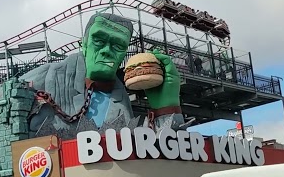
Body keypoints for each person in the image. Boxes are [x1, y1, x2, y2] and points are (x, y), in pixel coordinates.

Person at [20, 13, 183, 138]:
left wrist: (166, 108)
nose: (106, 50)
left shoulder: (121, 98)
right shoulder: (45, 78)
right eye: (99, 41)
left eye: (118, 45)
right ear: (83, 44)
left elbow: (157, 159)